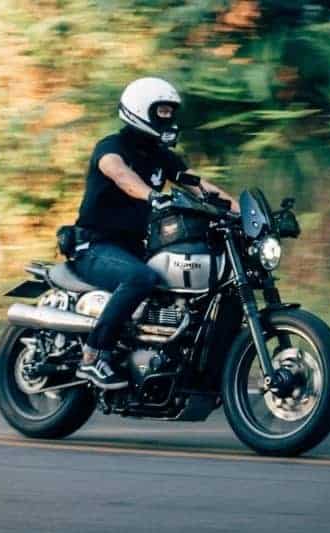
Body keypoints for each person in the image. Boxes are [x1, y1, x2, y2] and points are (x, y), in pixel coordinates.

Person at [73, 77, 239, 389]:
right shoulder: (111, 147)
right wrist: (151, 195)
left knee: (175, 279)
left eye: (169, 112)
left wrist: (244, 214)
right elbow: (120, 174)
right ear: (139, 110)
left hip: (135, 247)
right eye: (160, 111)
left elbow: (202, 188)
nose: (168, 118)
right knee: (140, 279)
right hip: (94, 245)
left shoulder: (163, 156)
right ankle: (93, 356)